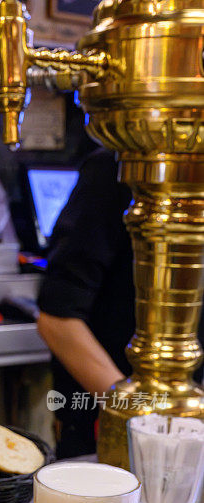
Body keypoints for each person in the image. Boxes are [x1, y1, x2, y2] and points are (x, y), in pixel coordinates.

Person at [36, 148, 203, 458]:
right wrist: (141, 420)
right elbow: (57, 320)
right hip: (105, 425)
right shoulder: (118, 167)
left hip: (188, 433)